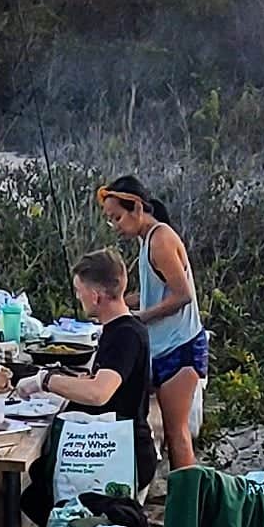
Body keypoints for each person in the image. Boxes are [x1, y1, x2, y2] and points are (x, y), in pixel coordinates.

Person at [97, 175, 206, 471]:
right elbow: (154, 292)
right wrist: (116, 302)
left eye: (117, 217)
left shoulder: (161, 239)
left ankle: (189, 495)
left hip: (180, 347)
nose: (115, 226)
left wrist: (138, 318)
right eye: (110, 220)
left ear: (136, 208)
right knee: (166, 429)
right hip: (161, 346)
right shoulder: (146, 241)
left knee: (176, 433)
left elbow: (182, 295)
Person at [35, 248, 154, 439]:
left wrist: (45, 380)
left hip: (120, 445)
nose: (77, 297)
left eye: (79, 291)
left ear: (95, 296)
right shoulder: (119, 328)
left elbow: (98, 393)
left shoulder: (126, 335)